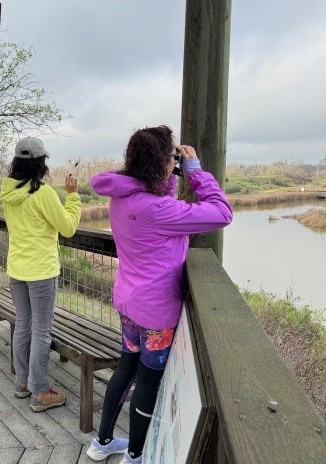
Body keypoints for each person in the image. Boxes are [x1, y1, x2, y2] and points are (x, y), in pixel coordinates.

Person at [86, 126, 233, 463]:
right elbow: (222, 214)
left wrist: (168, 171)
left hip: (128, 303)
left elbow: (155, 198)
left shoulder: (121, 196)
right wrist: (194, 172)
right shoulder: (158, 211)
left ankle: (103, 441)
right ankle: (135, 455)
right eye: (171, 157)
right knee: (148, 382)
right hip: (156, 313)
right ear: (161, 162)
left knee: (125, 370)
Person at [0, 136, 82, 412]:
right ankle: (40, 391)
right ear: (41, 162)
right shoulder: (43, 193)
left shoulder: (8, 191)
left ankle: (22, 383)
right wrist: (73, 196)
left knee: (23, 324)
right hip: (41, 270)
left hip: (17, 268)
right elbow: (68, 227)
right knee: (41, 330)